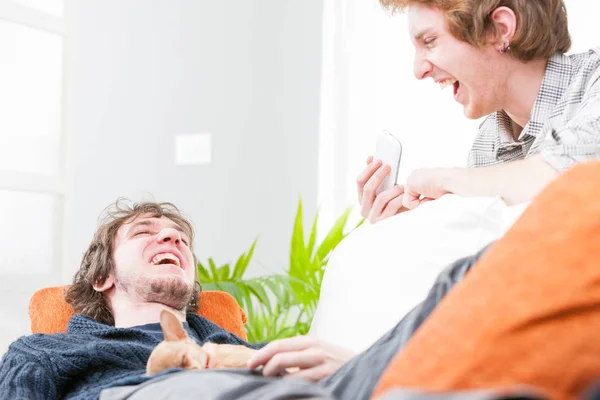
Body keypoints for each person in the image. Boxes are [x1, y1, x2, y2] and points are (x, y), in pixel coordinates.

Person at [0, 200, 352, 399]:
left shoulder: (257, 351)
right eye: (144, 232)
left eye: (181, 239)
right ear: (102, 276)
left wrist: (383, 234)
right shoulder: (45, 351)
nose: (172, 237)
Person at [358, 0, 600, 223]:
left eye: (429, 41)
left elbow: (574, 179)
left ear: (499, 30)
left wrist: (447, 181)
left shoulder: (595, 82)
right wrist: (416, 223)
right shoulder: (488, 143)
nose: (418, 70)